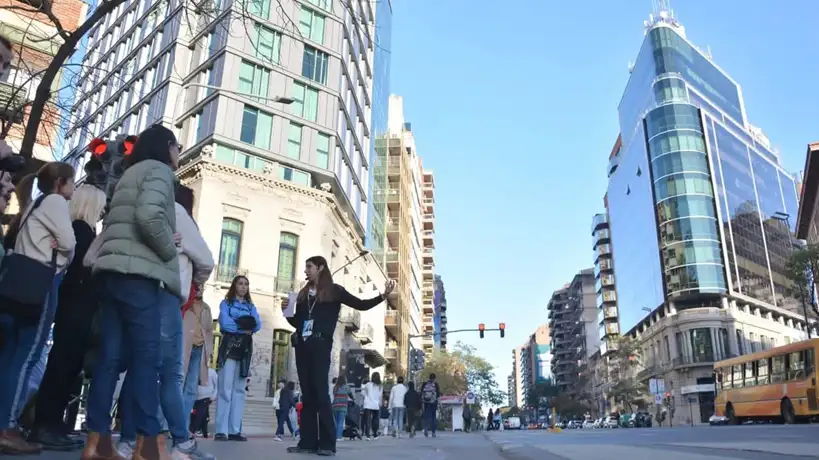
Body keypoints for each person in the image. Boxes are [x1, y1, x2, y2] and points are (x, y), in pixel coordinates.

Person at [81, 124, 181, 460]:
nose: (178, 154)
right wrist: (169, 250)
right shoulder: (159, 172)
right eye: (177, 146)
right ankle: (148, 445)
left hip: (112, 275)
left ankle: (97, 443)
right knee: (146, 359)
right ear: (167, 146)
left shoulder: (129, 174)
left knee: (110, 358)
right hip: (138, 275)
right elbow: (149, 216)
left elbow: (118, 222)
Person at [117, 183, 215, 460]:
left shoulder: (138, 210)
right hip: (167, 295)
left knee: (139, 368)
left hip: (136, 293)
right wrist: (194, 282)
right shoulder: (178, 214)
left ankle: (128, 440)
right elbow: (206, 261)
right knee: (171, 373)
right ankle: (180, 441)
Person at [280, 255, 394, 456]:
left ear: (320, 268)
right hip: (302, 345)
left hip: (321, 344)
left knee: (321, 392)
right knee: (307, 393)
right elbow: (298, 323)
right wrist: (287, 313)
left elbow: (360, 304)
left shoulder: (335, 292)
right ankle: (307, 441)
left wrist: (382, 296)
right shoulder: (303, 295)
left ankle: (327, 443)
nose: (305, 271)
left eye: (309, 267)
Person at [0, 161, 76, 455]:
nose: (72, 188)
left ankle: (5, 420)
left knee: (10, 355)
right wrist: (61, 244)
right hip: (41, 282)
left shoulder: (35, 202)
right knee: (28, 355)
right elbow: (68, 242)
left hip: (19, 281)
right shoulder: (56, 201)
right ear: (60, 182)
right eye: (70, 182)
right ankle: (7, 426)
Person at [30, 184, 106, 451]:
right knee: (64, 366)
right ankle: (47, 425)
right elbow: (86, 266)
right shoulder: (82, 231)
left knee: (65, 365)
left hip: (72, 305)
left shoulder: (79, 230)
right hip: (77, 307)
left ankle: (52, 424)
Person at [176, 184, 215, 426]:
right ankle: (167, 425)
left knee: (190, 386)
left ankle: (180, 425)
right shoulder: (182, 219)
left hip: (199, 348)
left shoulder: (206, 308)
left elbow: (210, 331)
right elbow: (206, 261)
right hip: (182, 331)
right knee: (175, 379)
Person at [214, 275, 261, 442]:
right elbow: (225, 323)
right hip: (229, 346)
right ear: (234, 285)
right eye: (240, 284)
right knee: (225, 388)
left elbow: (257, 324)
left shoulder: (251, 306)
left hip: (245, 349)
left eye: (246, 284)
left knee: (239, 389)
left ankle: (234, 429)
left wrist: (243, 326)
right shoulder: (226, 303)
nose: (243, 287)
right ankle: (221, 430)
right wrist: (243, 328)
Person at [190, 367, 217, 438]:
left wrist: (214, 395)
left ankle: (192, 430)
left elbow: (217, 384)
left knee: (200, 413)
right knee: (199, 414)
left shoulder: (212, 372)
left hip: (206, 397)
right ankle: (204, 432)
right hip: (195, 397)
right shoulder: (195, 370)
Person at [360, 372, 382, 440]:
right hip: (376, 405)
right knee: (375, 420)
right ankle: (375, 434)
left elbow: (362, 391)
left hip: (368, 404)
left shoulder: (368, 384)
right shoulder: (380, 386)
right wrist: (379, 403)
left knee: (367, 420)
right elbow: (380, 396)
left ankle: (368, 435)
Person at [331, 376, 352, 441]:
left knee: (336, 422)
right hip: (343, 406)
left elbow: (334, 395)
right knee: (340, 422)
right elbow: (350, 395)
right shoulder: (347, 387)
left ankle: (335, 436)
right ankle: (338, 437)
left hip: (335, 406)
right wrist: (353, 399)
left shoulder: (335, 387)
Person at [421, 373, 441, 437]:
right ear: (434, 378)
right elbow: (438, 394)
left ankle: (426, 429)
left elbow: (421, 392)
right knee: (433, 417)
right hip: (433, 403)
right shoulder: (435, 384)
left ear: (429, 377)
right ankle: (433, 432)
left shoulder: (425, 384)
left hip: (426, 402)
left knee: (426, 416)